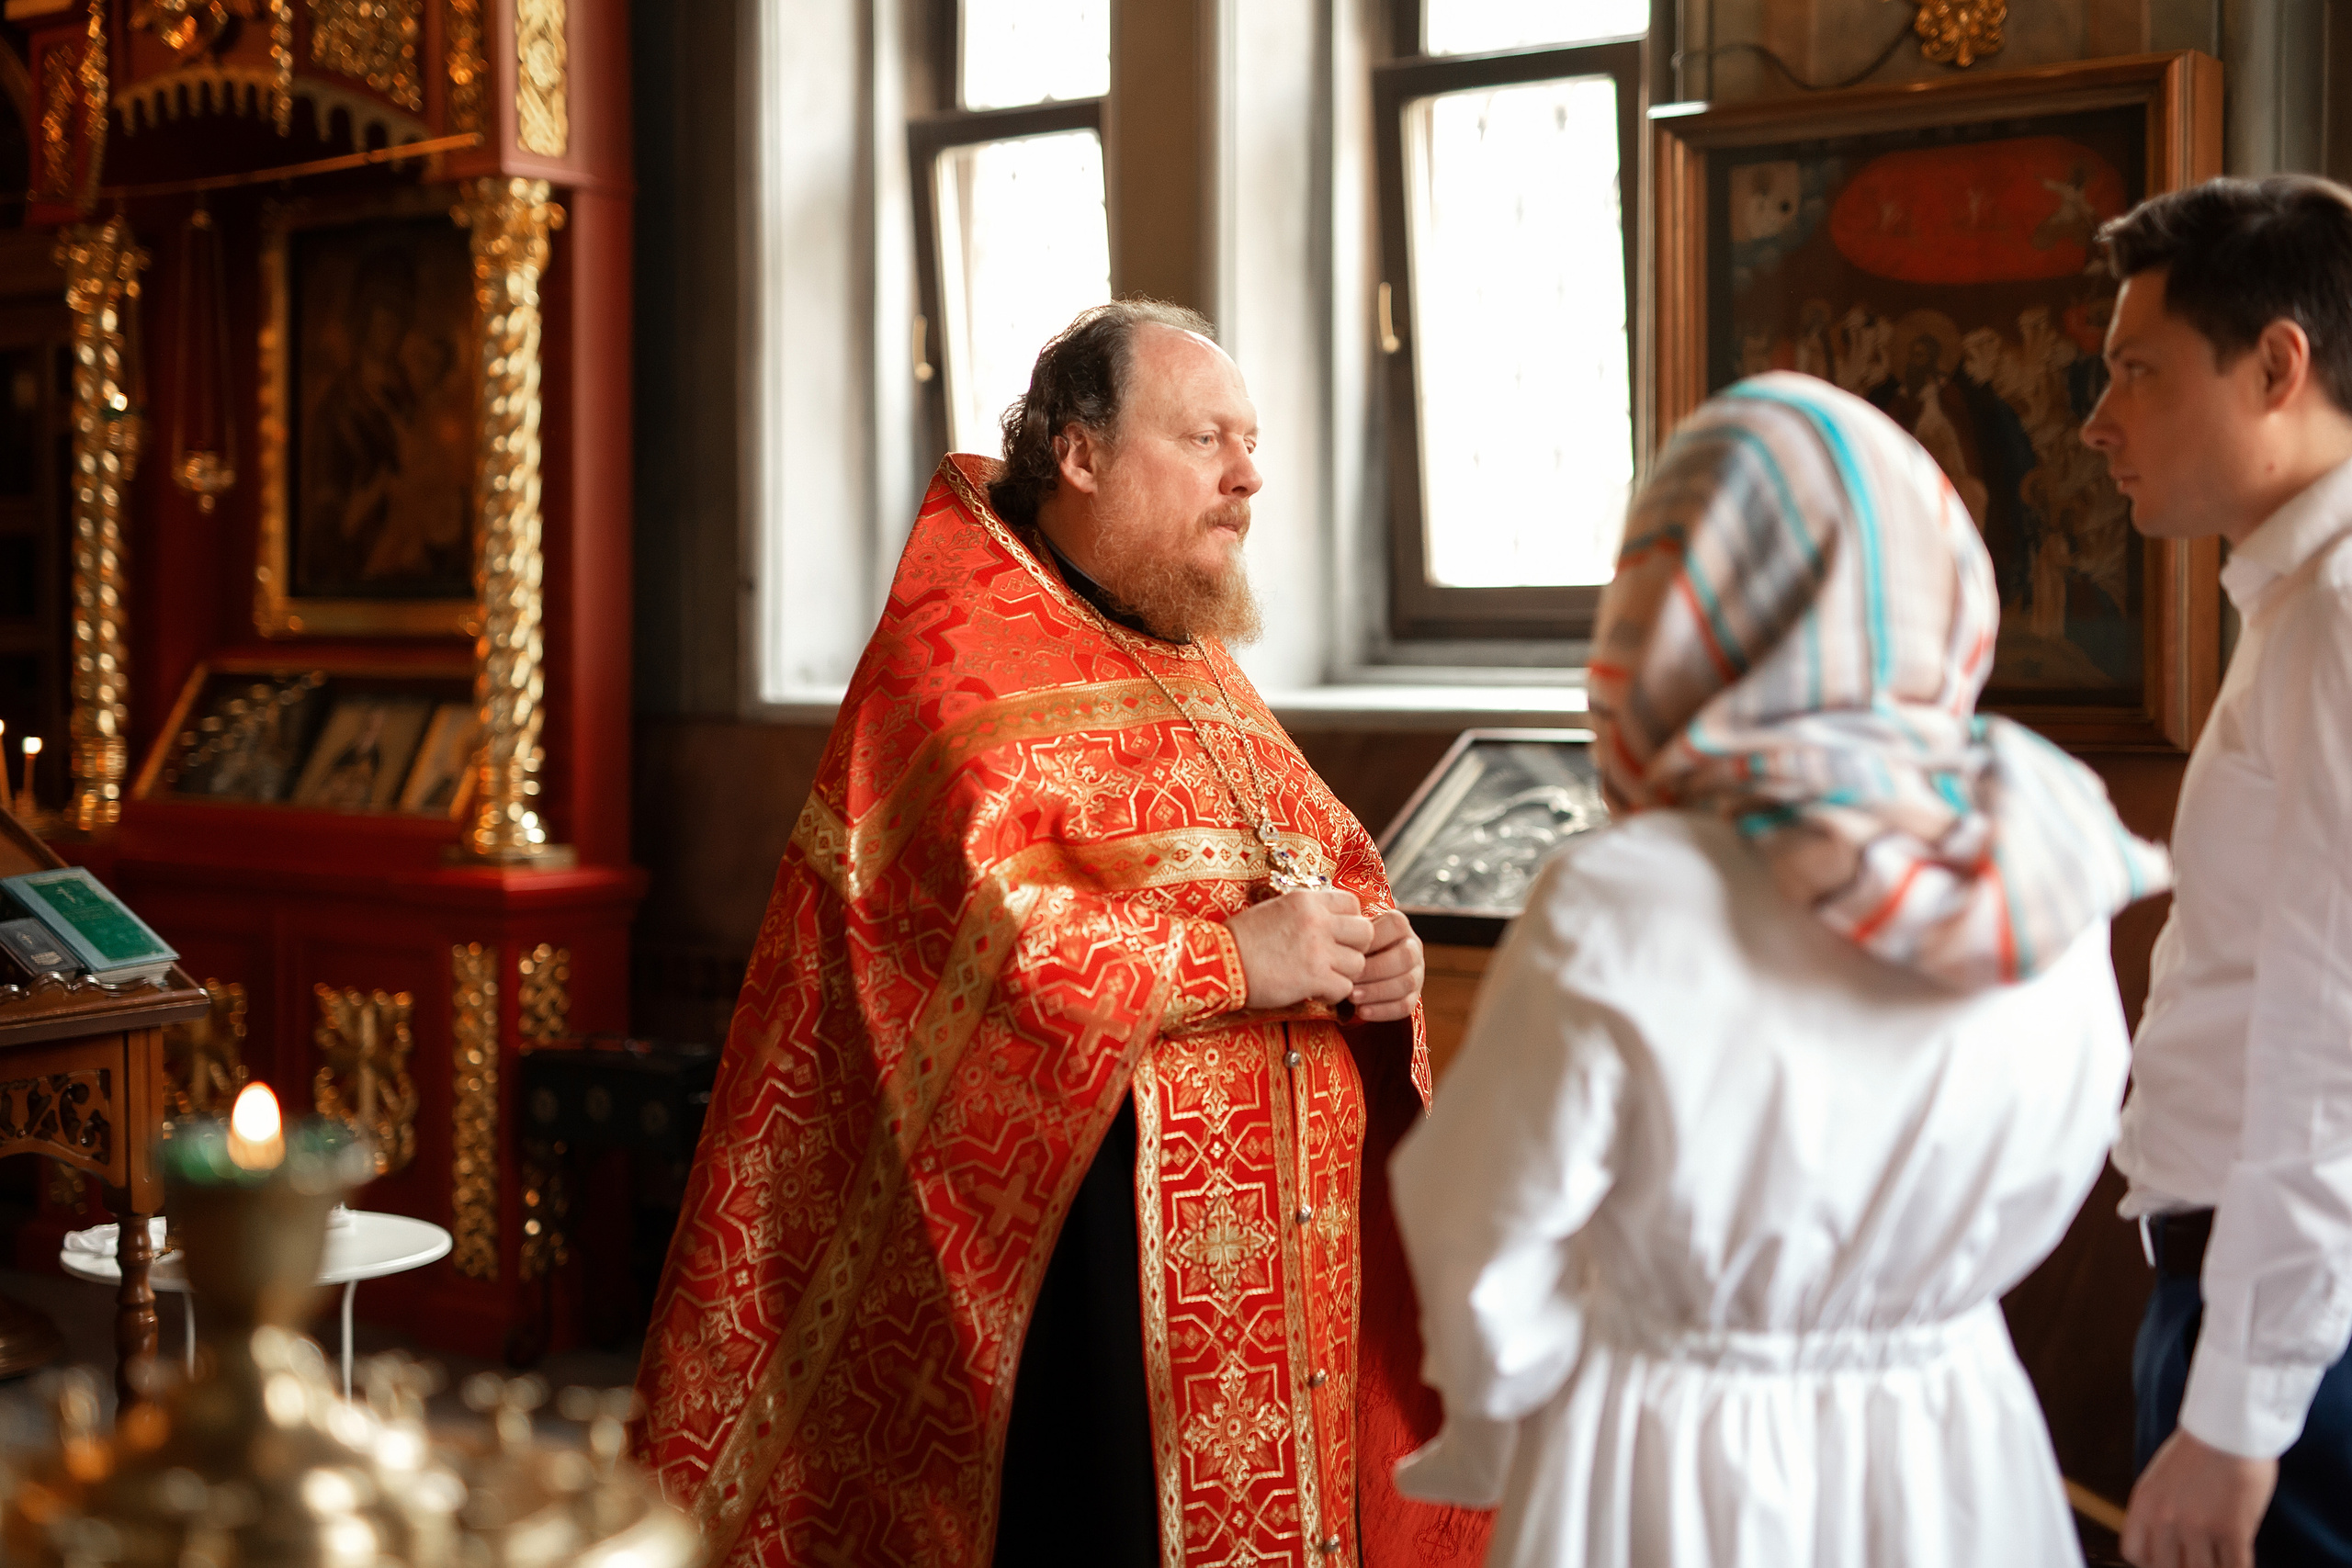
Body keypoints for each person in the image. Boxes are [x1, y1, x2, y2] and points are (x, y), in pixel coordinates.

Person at [633, 300, 1489, 1568]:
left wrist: (1386, 958)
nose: (1249, 476)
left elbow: (1329, 865)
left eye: (1251, 443)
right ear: (1079, 454)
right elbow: (967, 948)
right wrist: (1230, 963)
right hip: (1074, 1272)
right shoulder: (953, 655)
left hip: (1267, 1265)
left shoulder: (1190, 656)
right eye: (1207, 439)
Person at [1387, 371, 2168, 1566]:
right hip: (1954, 1438)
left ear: (1672, 603)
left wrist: (1513, 1409)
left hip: (1661, 1454)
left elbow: (1485, 1230)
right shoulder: (2050, 858)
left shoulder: (1624, 900)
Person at [2084, 175, 2352, 1568]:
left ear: (2276, 365)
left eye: (2137, 371)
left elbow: (2332, 1047)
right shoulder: (2298, 600)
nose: (2095, 420)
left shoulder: (2340, 618)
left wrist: (2243, 1410)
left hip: (2292, 1334)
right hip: (2261, 1297)